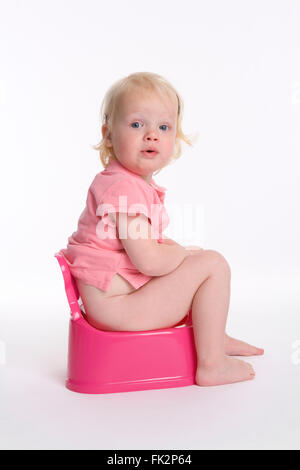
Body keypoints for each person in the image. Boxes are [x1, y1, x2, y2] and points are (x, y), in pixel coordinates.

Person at [59, 72, 264, 387]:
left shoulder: (123, 182)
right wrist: (180, 254)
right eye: (137, 124)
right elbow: (150, 262)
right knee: (213, 265)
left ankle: (214, 337)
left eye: (164, 127)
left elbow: (143, 245)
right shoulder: (124, 191)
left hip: (114, 299)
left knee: (200, 259)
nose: (151, 135)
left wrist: (180, 253)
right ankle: (211, 364)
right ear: (109, 135)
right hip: (117, 309)